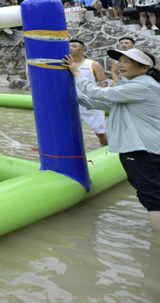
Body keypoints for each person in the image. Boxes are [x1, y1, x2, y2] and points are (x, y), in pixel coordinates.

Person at [62, 48, 160, 231]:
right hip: (151, 148)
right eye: (120, 61)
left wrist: (76, 72)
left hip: (141, 151)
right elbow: (104, 102)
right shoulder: (135, 86)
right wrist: (75, 98)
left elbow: (100, 94)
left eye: (127, 62)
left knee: (153, 198)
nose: (120, 65)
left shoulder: (140, 86)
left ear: (144, 67)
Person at [68, 39, 108, 146]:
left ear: (83, 49)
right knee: (69, 134)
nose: (70, 48)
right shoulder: (63, 64)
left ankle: (107, 153)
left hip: (91, 105)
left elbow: (103, 83)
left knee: (101, 134)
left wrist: (99, 101)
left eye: (74, 46)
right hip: (71, 105)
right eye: (69, 46)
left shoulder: (93, 64)